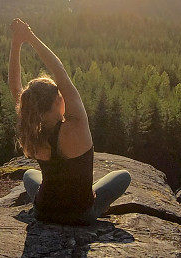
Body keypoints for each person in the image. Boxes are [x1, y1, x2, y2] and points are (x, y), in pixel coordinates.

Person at [8, 18, 131, 225]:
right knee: (123, 176)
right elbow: (60, 72)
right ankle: (89, 200)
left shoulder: (33, 130)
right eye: (60, 96)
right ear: (58, 101)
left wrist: (17, 42)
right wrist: (29, 36)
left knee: (30, 174)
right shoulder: (76, 125)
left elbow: (14, 85)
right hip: (80, 215)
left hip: (44, 211)